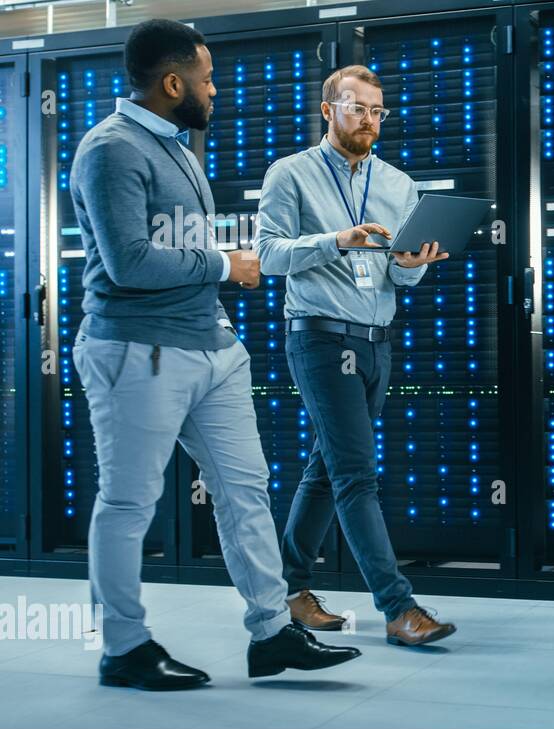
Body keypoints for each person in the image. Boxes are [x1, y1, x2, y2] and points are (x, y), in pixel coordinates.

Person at [69, 18, 362, 689]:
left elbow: (180, 249)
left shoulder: (178, 147)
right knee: (127, 502)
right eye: (205, 78)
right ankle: (123, 647)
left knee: (246, 489)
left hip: (210, 347)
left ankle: (271, 632)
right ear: (173, 83)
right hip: (136, 350)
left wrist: (223, 312)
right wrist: (226, 265)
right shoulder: (110, 149)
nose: (216, 89)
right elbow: (128, 262)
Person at [256, 65, 457, 647]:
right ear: (328, 110)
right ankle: (398, 609)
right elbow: (268, 255)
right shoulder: (289, 174)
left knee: (327, 467)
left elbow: (395, 269)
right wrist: (334, 241)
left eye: (377, 111)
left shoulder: (397, 184)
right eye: (357, 108)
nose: (369, 120)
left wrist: (411, 267)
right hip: (320, 337)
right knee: (355, 475)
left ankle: (288, 590)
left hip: (377, 342)